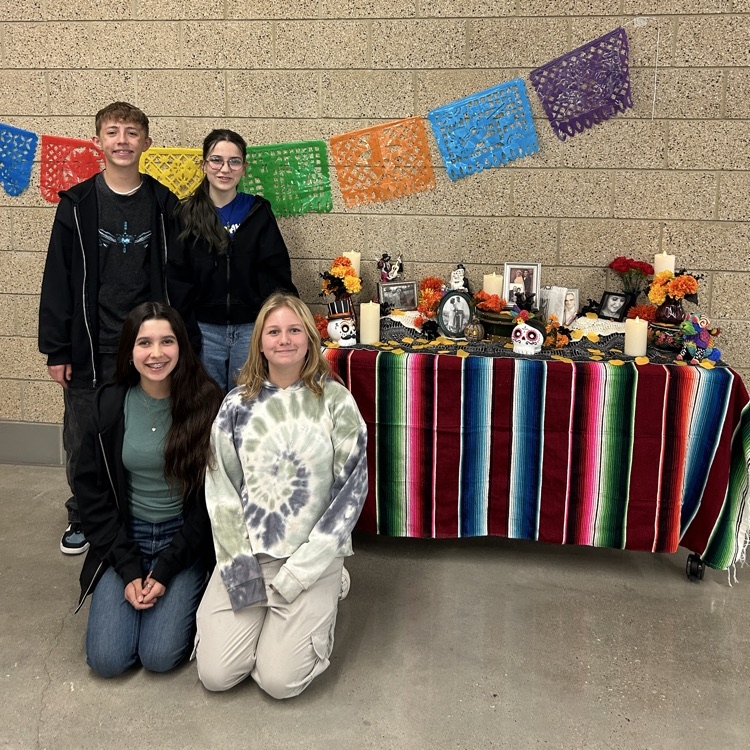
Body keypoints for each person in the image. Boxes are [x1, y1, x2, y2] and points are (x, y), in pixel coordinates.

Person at [194, 292, 368, 699]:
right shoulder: (236, 405)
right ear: (259, 342)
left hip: (310, 557)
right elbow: (221, 491)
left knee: (279, 682)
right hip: (251, 553)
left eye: (294, 330)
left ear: (309, 338)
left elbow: (350, 493)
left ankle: (329, 586)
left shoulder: (336, 402)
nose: (284, 339)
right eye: (274, 331)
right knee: (217, 675)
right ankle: (269, 624)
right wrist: (239, 571)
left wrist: (302, 573)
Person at [38, 102, 183, 556]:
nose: (122, 140)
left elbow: (177, 276)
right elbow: (57, 280)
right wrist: (57, 349)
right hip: (89, 343)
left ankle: (134, 510)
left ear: (146, 142)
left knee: (146, 430)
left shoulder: (162, 204)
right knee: (84, 435)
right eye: (113, 132)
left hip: (148, 346)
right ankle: (83, 512)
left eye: (132, 132)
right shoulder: (78, 205)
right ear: (98, 141)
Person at [73, 302, 224, 677]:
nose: (156, 353)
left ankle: (194, 585)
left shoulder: (207, 404)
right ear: (130, 350)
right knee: (107, 661)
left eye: (167, 341)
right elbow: (91, 492)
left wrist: (167, 569)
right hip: (127, 537)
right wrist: (127, 569)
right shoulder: (109, 404)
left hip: (183, 539)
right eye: (145, 343)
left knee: (158, 657)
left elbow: (215, 500)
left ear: (182, 346)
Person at [170, 129, 297, 392]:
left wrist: (280, 324)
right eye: (216, 160)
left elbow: (277, 271)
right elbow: (177, 277)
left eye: (234, 161)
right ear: (204, 165)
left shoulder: (258, 211)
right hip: (204, 331)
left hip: (250, 329)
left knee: (248, 405)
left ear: (243, 168)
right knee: (207, 407)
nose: (224, 169)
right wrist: (185, 328)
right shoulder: (186, 213)